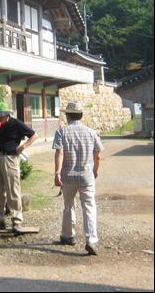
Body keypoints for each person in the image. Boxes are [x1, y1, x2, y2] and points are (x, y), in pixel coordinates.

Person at [0, 102, 38, 232]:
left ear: (7, 114)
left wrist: (23, 147)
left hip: (11, 158)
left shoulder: (16, 124)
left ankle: (17, 221)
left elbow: (34, 135)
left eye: (1, 116)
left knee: (13, 190)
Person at [52, 101, 104, 255]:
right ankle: (91, 239)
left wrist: (57, 173)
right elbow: (98, 155)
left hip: (68, 176)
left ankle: (68, 235)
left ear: (67, 116)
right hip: (86, 175)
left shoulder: (62, 132)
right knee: (89, 206)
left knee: (69, 205)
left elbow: (59, 153)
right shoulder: (91, 132)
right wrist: (95, 170)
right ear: (81, 115)